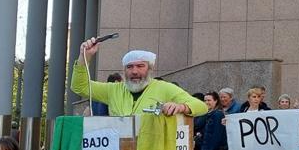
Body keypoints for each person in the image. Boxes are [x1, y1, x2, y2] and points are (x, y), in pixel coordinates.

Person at [72, 41, 207, 117]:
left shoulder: (164, 88)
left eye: (140, 66)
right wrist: (85, 57)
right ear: (124, 71)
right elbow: (80, 86)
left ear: (150, 69)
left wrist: (181, 107)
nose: (134, 71)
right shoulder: (113, 90)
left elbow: (201, 106)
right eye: (130, 67)